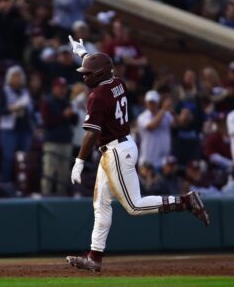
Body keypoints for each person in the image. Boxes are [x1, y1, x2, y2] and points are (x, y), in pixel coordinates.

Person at [66, 36, 210, 272]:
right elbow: (100, 67)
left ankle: (185, 201)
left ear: (101, 75)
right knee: (101, 203)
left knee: (133, 206)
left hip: (116, 152)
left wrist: (79, 161)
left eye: (88, 73)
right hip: (119, 146)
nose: (84, 76)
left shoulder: (98, 96)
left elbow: (91, 134)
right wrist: (82, 52)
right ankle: (94, 257)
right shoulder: (117, 81)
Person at [40, 77, 78, 196]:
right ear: (54, 88)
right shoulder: (47, 101)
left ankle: (62, 198)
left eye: (63, 88)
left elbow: (74, 122)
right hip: (52, 142)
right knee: (49, 172)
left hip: (66, 141)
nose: (62, 90)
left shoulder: (67, 102)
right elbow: (47, 121)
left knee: (64, 174)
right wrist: (63, 116)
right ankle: (45, 196)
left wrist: (73, 114)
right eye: (59, 87)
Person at [0, 65, 34, 182]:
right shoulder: (4, 91)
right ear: (9, 78)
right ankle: (6, 183)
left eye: (20, 76)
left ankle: (21, 184)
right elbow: (0, 110)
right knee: (8, 158)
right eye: (15, 76)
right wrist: (12, 108)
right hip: (9, 129)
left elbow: (32, 109)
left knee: (23, 159)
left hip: (25, 128)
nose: (18, 79)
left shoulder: (25, 92)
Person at [137, 90, 174, 169]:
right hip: (147, 161)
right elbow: (151, 126)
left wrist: (173, 109)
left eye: (153, 102)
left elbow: (176, 124)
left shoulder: (166, 115)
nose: (151, 105)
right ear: (146, 103)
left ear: (158, 102)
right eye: (149, 102)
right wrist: (164, 109)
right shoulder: (142, 117)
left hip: (164, 161)